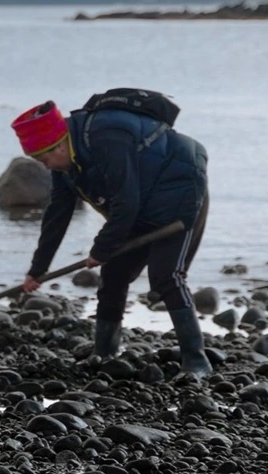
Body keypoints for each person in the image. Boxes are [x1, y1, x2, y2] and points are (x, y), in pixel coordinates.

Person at [11, 95, 211, 376]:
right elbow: (57, 214)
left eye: (44, 159)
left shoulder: (106, 138)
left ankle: (197, 363)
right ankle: (104, 354)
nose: (45, 166)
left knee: (167, 277)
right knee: (114, 274)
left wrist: (100, 250)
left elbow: (125, 203)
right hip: (140, 198)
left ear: (59, 145)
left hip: (179, 188)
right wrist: (37, 270)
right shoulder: (66, 165)